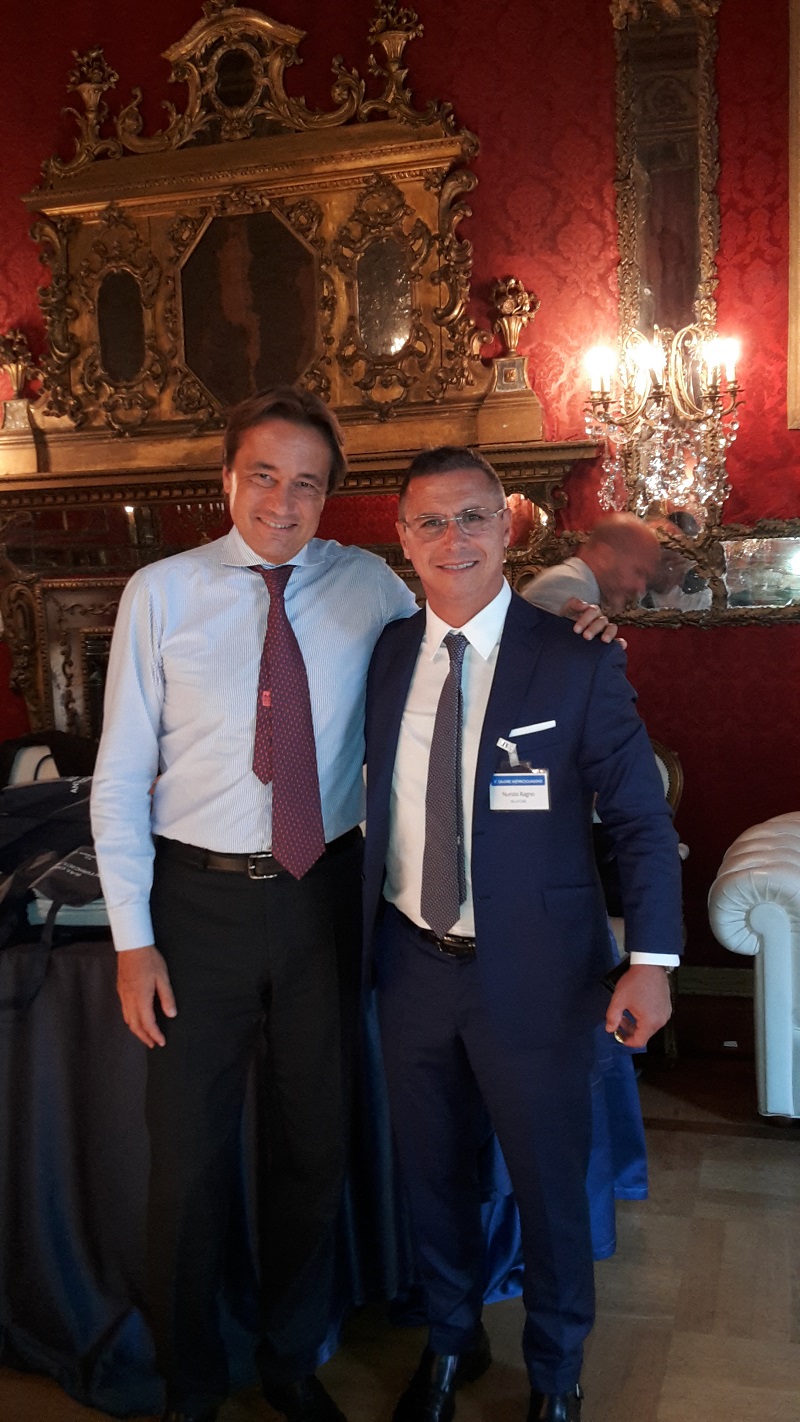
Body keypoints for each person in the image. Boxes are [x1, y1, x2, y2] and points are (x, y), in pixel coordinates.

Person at [90, 386, 420, 1422]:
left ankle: (290, 1358)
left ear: (331, 494)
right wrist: (133, 941)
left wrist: (566, 621)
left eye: (307, 483)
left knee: (312, 1148)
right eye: (265, 475)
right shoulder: (161, 592)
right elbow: (117, 775)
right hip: (196, 909)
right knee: (187, 1164)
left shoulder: (369, 586)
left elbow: (466, 644)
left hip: (323, 900)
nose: (284, 501)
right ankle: (190, 1380)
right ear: (228, 478)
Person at [362, 447, 682, 1422]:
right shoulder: (384, 655)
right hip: (411, 967)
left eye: (471, 516)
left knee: (548, 1188)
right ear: (403, 538)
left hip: (542, 978)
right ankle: (450, 1345)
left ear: (507, 525)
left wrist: (652, 961)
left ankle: (554, 1373)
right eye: (429, 521)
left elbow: (639, 820)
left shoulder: (576, 654)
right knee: (430, 1179)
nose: (452, 538)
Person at [521, 511, 662, 617]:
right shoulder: (575, 586)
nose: (641, 587)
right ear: (604, 557)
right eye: (638, 572)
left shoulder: (579, 581)